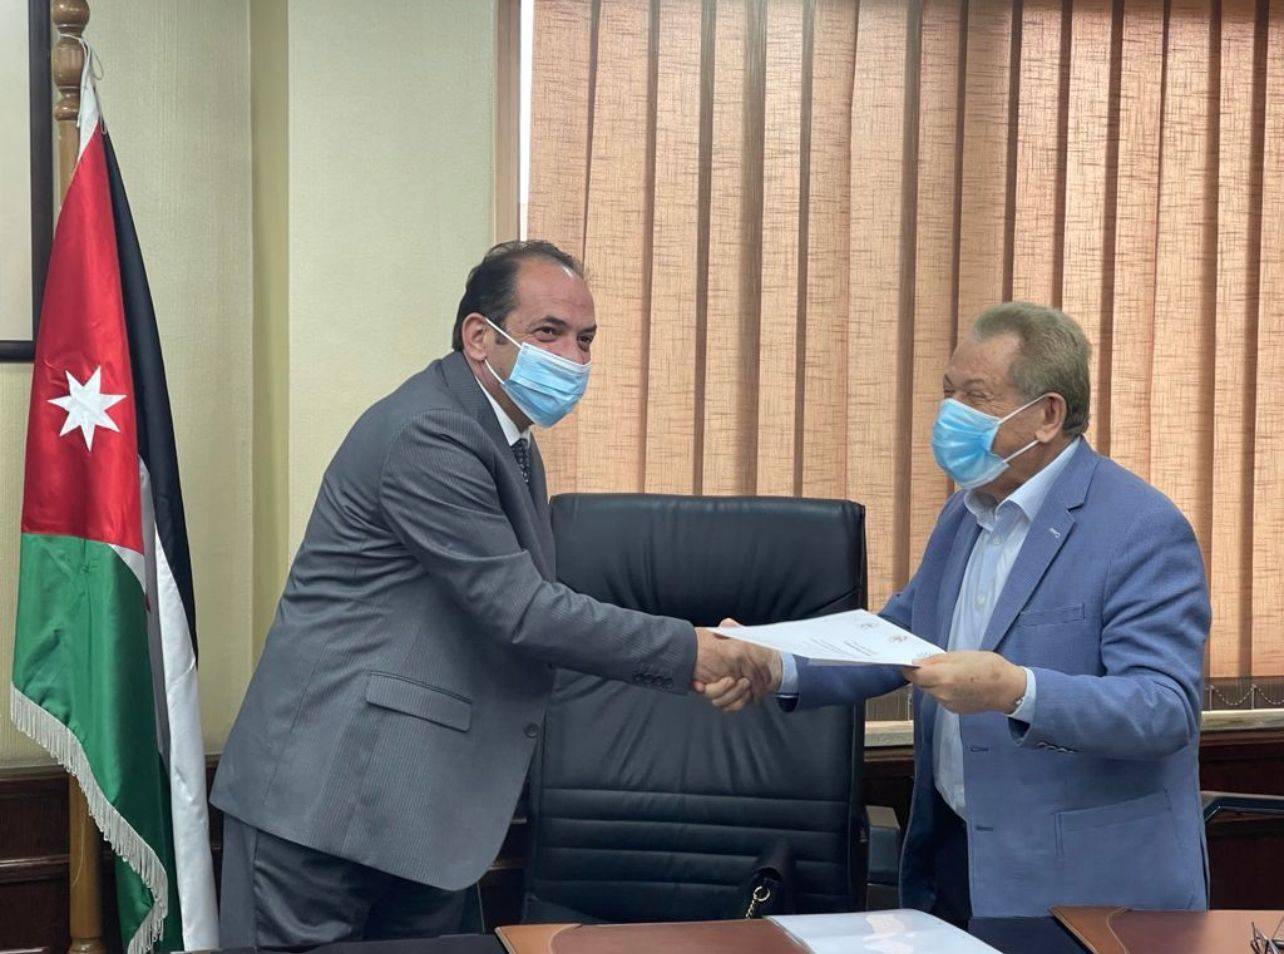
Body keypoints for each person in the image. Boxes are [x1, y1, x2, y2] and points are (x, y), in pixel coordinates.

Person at [211, 240, 771, 944]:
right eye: (549, 332)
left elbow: (524, 599)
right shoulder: (431, 432)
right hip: (328, 800)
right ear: (480, 337)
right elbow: (524, 610)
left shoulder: (506, 438)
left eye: (585, 339)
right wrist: (690, 650)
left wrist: (697, 642)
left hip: (418, 809)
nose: (572, 358)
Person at [708, 302, 1210, 922]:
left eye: (976, 396)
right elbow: (900, 636)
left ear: (1047, 415)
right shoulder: (966, 510)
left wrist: (1016, 690)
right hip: (957, 856)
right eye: (949, 393)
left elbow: (1164, 708)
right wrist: (776, 663)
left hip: (1086, 888)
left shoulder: (1141, 528)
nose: (951, 414)